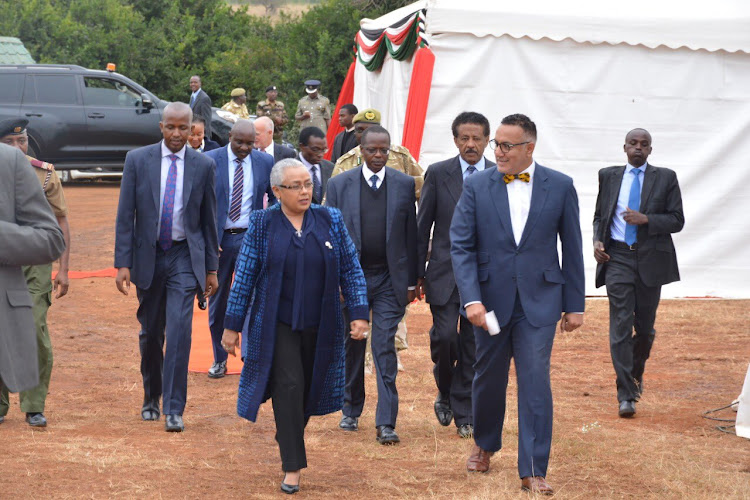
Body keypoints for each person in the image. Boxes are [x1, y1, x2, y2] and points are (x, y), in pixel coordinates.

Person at [450, 114, 585, 495]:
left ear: (530, 147)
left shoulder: (560, 186)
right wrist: (472, 299)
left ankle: (533, 469)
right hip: (490, 302)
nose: (498, 152)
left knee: (535, 381)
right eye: (497, 145)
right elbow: (460, 246)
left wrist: (575, 305)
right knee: (488, 377)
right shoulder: (477, 186)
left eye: (506, 146)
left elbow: (572, 249)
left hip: (541, 301)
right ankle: (485, 443)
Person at [221, 158, 369, 494]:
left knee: (307, 390)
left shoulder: (329, 218)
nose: (305, 191)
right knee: (288, 385)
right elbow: (243, 277)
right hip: (277, 324)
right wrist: (232, 326)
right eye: (296, 186)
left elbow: (351, 268)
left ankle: (288, 432)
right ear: (277, 191)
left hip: (323, 322)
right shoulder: (262, 224)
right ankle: (292, 466)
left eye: (308, 184)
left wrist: (360, 312)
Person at [114, 102, 219, 433]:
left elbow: (208, 221)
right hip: (148, 257)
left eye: (183, 128)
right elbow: (125, 215)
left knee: (179, 331)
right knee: (150, 332)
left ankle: (174, 407)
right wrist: (123, 263)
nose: (177, 134)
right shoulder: (137, 160)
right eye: (171, 127)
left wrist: (211, 270)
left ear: (192, 130)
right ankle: (151, 397)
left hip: (184, 256)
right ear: (161, 127)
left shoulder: (203, 165)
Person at [325, 126, 418, 445]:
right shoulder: (339, 185)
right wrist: (334, 279)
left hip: (390, 280)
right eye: (372, 150)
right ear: (360, 151)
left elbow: (412, 235)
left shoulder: (405, 184)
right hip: (352, 279)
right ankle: (350, 410)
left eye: (384, 151)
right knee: (353, 344)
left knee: (383, 346)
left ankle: (386, 423)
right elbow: (331, 236)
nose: (378, 156)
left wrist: (411, 281)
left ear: (391, 152)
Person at [593, 128, 684, 418]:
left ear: (650, 150)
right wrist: (598, 242)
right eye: (633, 143)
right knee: (620, 325)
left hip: (650, 260)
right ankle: (626, 394)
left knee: (644, 329)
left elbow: (677, 220)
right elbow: (600, 215)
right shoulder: (608, 175)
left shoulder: (666, 177)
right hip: (617, 257)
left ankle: (635, 372)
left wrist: (647, 219)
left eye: (644, 144)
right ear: (624, 147)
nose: (638, 148)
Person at [416, 111, 495, 439]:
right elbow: (423, 227)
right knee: (446, 337)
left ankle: (464, 412)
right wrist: (415, 274)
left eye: (477, 138)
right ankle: (445, 390)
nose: (471, 144)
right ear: (455, 140)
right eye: (464, 138)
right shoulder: (438, 173)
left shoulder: (500, 174)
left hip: (485, 276)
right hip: (444, 273)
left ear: (487, 140)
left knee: (473, 344)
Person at [331, 107, 423, 369]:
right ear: (361, 144)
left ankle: (388, 353)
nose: (379, 155)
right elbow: (333, 212)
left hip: (390, 265)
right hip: (355, 264)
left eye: (384, 148)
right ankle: (358, 372)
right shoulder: (345, 164)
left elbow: (421, 190)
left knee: (388, 325)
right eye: (370, 145)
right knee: (353, 334)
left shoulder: (402, 158)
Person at [0, 118, 71, 428]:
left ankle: (34, 405)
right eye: (10, 142)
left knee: (35, 327)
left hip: (34, 261)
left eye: (23, 141)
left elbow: (61, 222)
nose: (18, 147)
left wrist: (64, 270)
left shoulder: (44, 173)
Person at [203, 120, 275, 379]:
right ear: (229, 136)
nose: (245, 148)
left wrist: (269, 226)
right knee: (218, 300)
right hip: (219, 242)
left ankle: (248, 356)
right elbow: (199, 202)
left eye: (250, 143)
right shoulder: (210, 160)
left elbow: (274, 195)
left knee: (253, 298)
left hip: (250, 238)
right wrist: (209, 239)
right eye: (239, 142)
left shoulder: (264, 162)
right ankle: (219, 359)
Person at [297, 127, 333, 205]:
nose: (320, 154)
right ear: (302, 146)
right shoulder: (289, 169)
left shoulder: (330, 167)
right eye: (315, 150)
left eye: (324, 150)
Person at [189, 75, 213, 140]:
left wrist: (205, 137)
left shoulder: (204, 98)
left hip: (201, 135)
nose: (193, 84)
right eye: (191, 82)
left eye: (195, 82)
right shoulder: (193, 96)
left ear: (200, 83)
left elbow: (207, 119)